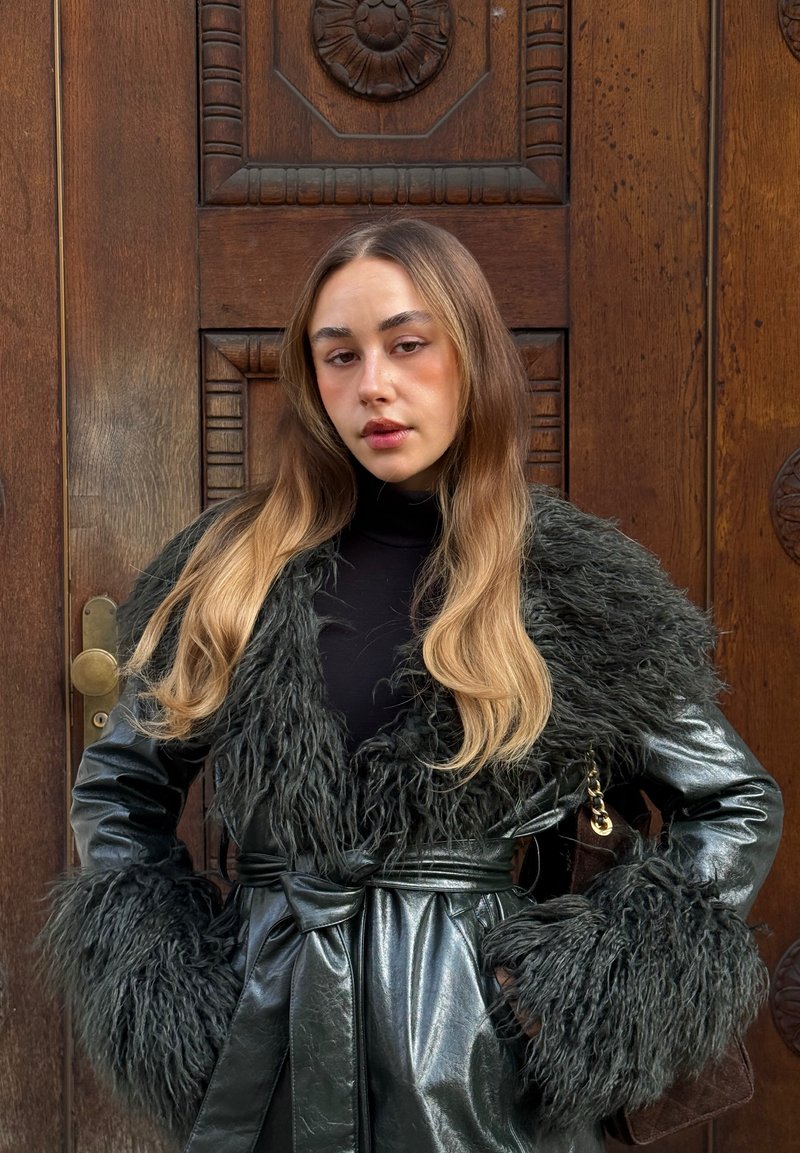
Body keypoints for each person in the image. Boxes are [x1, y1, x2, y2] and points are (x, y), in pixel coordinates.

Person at [44, 218, 782, 1153]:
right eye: (338, 356)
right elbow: (119, 788)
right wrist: (183, 987)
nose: (373, 386)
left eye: (407, 344)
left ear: (468, 355)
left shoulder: (568, 580)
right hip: (265, 1048)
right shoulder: (227, 570)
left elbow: (733, 800)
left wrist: (586, 995)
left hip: (478, 1071)